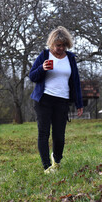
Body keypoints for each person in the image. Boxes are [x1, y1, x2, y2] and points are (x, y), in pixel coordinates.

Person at [29, 26, 83, 174]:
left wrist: (79, 103)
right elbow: (32, 76)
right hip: (44, 100)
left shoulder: (70, 58)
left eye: (63, 45)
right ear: (52, 43)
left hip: (62, 101)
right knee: (43, 133)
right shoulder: (45, 55)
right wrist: (42, 68)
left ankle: (56, 159)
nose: (61, 48)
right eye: (58, 45)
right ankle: (46, 166)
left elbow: (76, 82)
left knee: (59, 136)